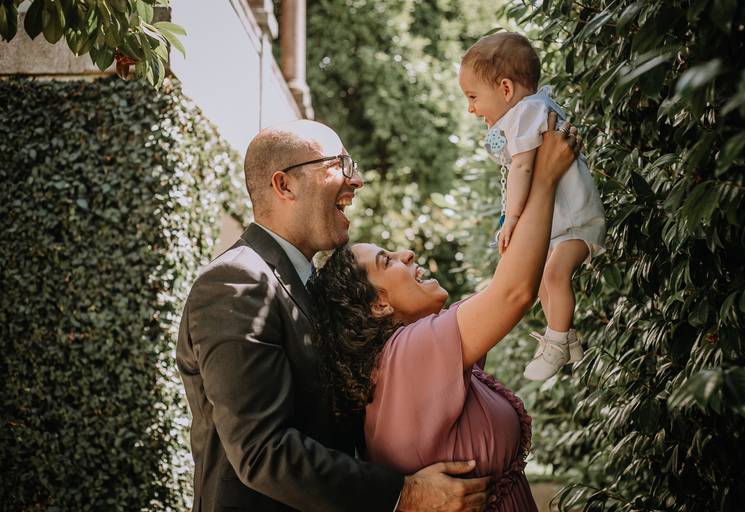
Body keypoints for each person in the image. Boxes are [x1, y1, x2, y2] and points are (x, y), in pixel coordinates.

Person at [176, 120, 493, 512]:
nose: (356, 181)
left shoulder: (310, 283)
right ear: (284, 185)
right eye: (339, 164)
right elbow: (262, 451)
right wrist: (404, 494)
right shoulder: (237, 282)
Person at [308, 112, 581, 511]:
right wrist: (545, 178)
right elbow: (513, 293)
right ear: (380, 304)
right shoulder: (406, 356)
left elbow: (508, 279)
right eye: (388, 260)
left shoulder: (412, 355)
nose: (408, 253)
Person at [458, 32, 606, 380]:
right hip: (562, 223)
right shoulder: (528, 112)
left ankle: (555, 344)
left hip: (576, 220)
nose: (471, 108)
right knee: (543, 276)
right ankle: (566, 339)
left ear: (506, 89)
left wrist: (510, 220)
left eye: (473, 96)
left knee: (554, 275)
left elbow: (523, 168)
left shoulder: (526, 113)